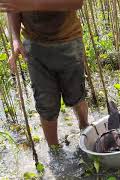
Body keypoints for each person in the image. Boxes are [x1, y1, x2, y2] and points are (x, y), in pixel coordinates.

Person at [1, 0, 89, 146]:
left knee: (76, 96)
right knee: (45, 103)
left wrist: (28, 5)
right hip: (35, 47)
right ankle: (54, 151)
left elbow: (77, 3)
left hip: (68, 41)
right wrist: (16, 39)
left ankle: (86, 132)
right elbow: (13, 7)